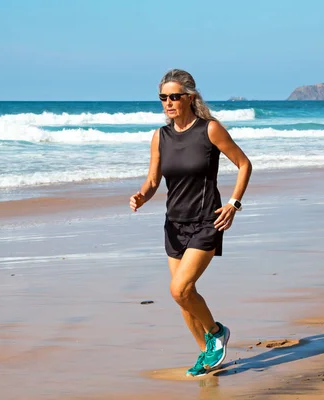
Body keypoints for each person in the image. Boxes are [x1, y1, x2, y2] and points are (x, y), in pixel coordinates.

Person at [129, 69, 252, 377]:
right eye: (164, 97)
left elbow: (244, 164)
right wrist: (142, 196)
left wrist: (234, 203)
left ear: (190, 98)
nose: (168, 103)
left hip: (206, 221)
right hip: (174, 225)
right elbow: (153, 180)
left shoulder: (210, 130)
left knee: (180, 289)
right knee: (185, 299)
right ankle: (207, 353)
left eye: (174, 97)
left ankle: (216, 332)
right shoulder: (160, 136)